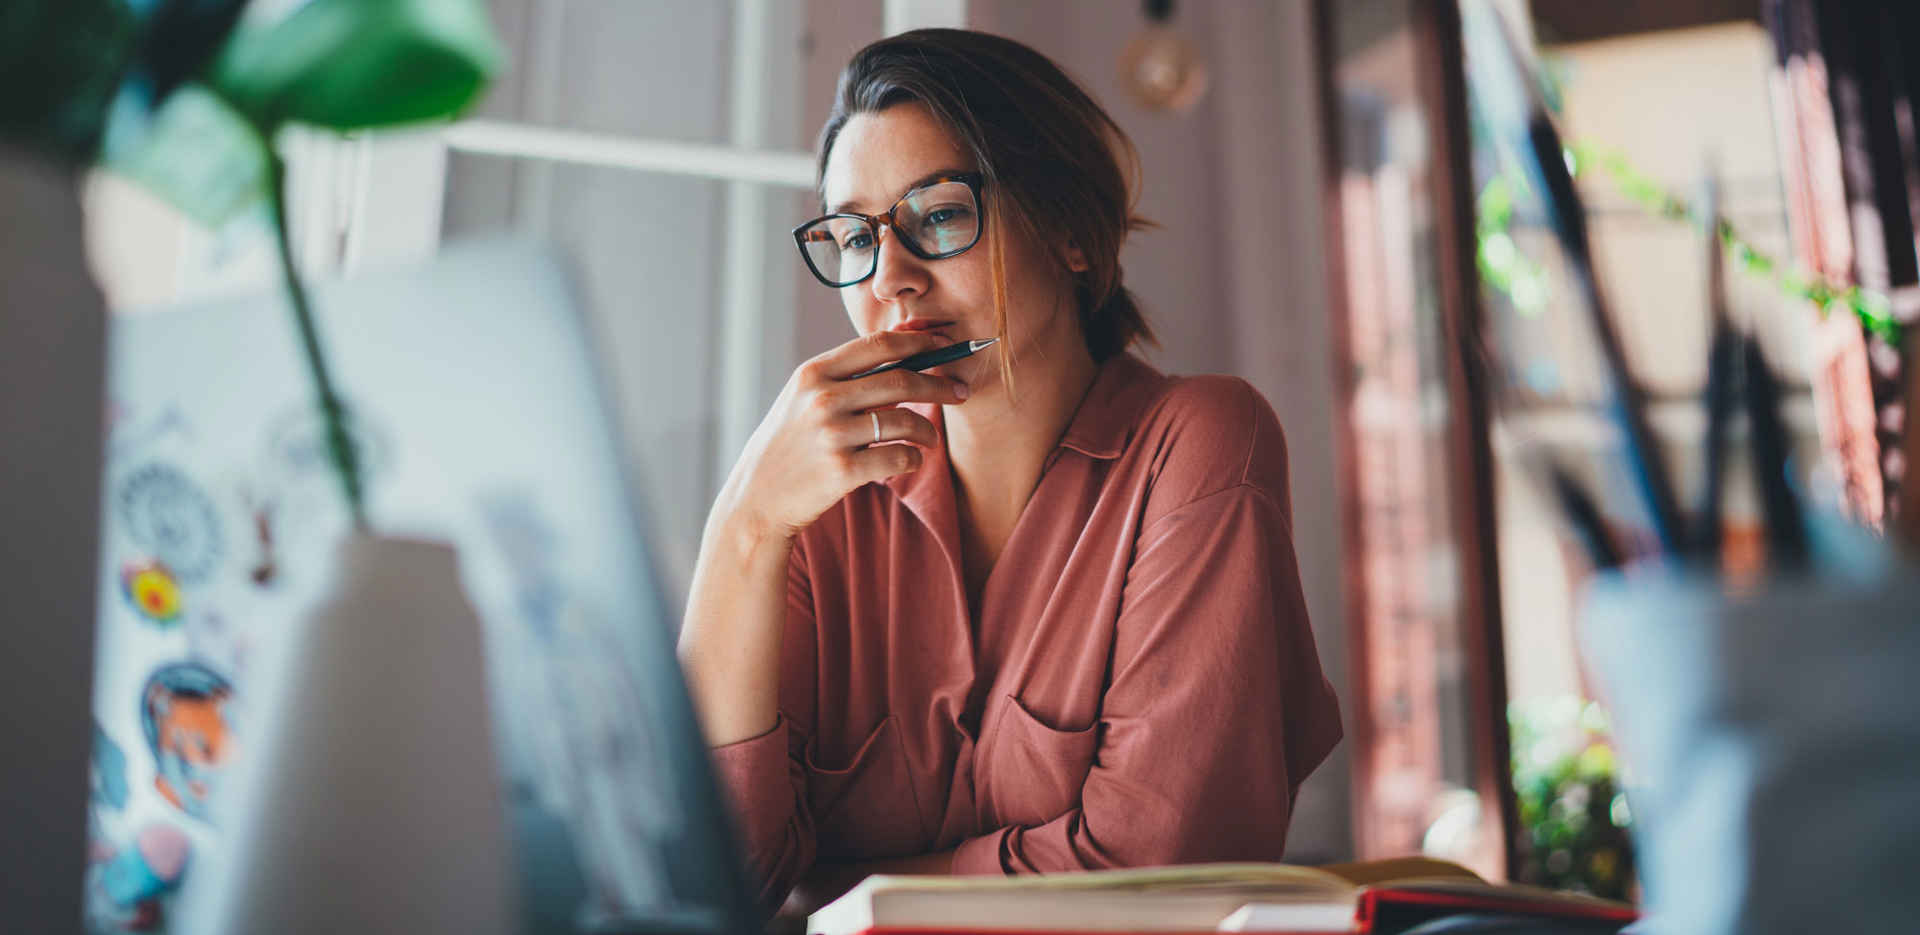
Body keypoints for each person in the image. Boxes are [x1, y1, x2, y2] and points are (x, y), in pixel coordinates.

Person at [678, 28, 1342, 918]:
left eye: (940, 214)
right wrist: (744, 526)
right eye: (854, 237)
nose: (893, 282)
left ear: (1068, 229)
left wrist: (840, 897)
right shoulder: (813, 508)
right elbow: (712, 885)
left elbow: (1155, 870)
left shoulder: (1199, 444)